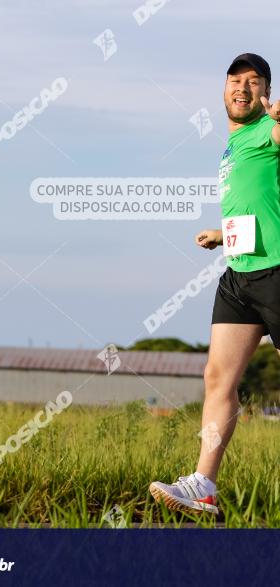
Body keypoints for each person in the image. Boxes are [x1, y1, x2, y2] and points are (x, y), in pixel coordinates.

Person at [149, 53, 280, 515]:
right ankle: (203, 484)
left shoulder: (268, 129)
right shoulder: (234, 144)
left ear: (266, 92)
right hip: (239, 274)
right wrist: (222, 233)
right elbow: (261, 203)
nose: (242, 88)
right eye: (234, 80)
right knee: (217, 377)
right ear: (223, 88)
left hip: (277, 272)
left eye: (253, 82)